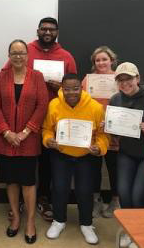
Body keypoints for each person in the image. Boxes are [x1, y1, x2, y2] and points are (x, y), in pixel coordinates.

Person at [3, 17, 77, 222]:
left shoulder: (66, 56)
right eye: (43, 28)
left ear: (57, 32)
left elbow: (74, 87)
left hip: (54, 117)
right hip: (21, 118)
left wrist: (60, 87)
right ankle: (17, 201)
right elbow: (5, 73)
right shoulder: (25, 50)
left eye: (51, 29)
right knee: (20, 161)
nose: (47, 32)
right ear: (38, 30)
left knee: (46, 161)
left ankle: (43, 198)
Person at [0, 39, 48, 244]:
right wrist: (6, 132)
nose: (18, 56)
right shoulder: (1, 76)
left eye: (21, 53)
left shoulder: (37, 77)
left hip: (28, 140)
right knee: (11, 180)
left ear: (27, 55)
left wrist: (25, 132)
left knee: (28, 182)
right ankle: (15, 216)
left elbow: (42, 106)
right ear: (9, 55)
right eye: (14, 53)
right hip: (6, 141)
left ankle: (30, 221)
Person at [42, 73, 109, 244]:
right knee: (59, 188)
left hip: (86, 156)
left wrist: (99, 148)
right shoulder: (54, 104)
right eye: (67, 89)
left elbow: (102, 135)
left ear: (82, 88)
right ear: (62, 89)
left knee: (85, 190)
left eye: (76, 88)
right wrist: (48, 140)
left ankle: (86, 224)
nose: (71, 92)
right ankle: (59, 221)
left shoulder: (95, 107)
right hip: (61, 154)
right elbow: (47, 129)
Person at [109, 62, 144, 248]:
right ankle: (129, 231)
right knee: (124, 194)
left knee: (139, 195)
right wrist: (109, 128)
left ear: (138, 79)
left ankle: (142, 235)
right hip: (126, 153)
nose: (125, 83)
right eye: (121, 80)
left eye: (129, 79)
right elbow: (116, 134)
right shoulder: (115, 99)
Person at [81, 46, 120, 218]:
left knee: (114, 168)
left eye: (104, 59)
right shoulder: (87, 80)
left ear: (112, 60)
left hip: (115, 132)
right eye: (97, 60)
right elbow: (81, 102)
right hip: (94, 131)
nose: (101, 63)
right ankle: (95, 201)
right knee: (93, 169)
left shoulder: (121, 79)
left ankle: (115, 200)